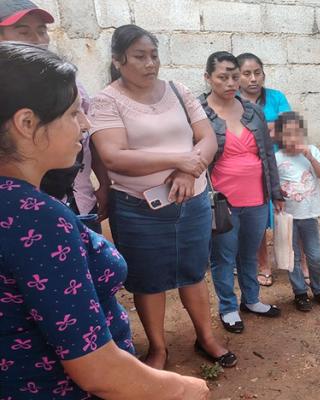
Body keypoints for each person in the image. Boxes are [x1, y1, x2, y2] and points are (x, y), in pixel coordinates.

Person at [0, 41, 209, 400]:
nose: (85, 125)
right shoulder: (37, 220)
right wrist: (186, 388)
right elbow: (99, 370)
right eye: (73, 114)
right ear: (27, 123)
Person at [89, 24, 236, 369]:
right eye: (140, 56)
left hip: (192, 202)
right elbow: (113, 156)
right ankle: (158, 348)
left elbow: (207, 138)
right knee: (148, 280)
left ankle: (206, 337)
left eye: (154, 55)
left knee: (194, 272)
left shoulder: (177, 90)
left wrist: (189, 171)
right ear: (118, 60)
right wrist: (177, 160)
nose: (150, 63)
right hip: (139, 208)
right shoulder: (106, 101)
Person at [0, 0, 111, 233]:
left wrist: (103, 182)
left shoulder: (69, 84)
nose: (38, 40)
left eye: (42, 31)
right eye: (23, 32)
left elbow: (89, 140)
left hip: (78, 200)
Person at [199, 51, 283, 334]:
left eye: (234, 77)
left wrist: (275, 191)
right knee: (223, 256)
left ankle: (252, 299)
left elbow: (267, 154)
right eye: (223, 77)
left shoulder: (251, 111)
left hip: (256, 197)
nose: (230, 83)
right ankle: (228, 307)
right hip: (222, 202)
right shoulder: (199, 113)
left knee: (249, 252)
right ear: (208, 77)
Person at [237, 52, 293, 288]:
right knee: (256, 219)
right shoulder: (234, 101)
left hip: (280, 164)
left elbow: (290, 128)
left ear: (263, 74)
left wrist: (258, 130)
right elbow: (238, 136)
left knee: (285, 213)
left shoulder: (276, 97)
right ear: (237, 76)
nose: (253, 79)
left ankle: (292, 261)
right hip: (250, 168)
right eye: (246, 73)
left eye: (257, 73)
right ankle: (263, 265)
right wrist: (271, 127)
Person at [273, 111, 320, 312]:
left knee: (315, 256)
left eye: (296, 133)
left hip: (309, 215)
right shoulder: (277, 158)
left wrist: (310, 157)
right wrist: (278, 195)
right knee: (292, 257)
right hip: (288, 217)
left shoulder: (312, 151)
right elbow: (272, 186)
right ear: (279, 136)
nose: (292, 138)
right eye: (287, 134)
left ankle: (319, 289)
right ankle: (299, 292)